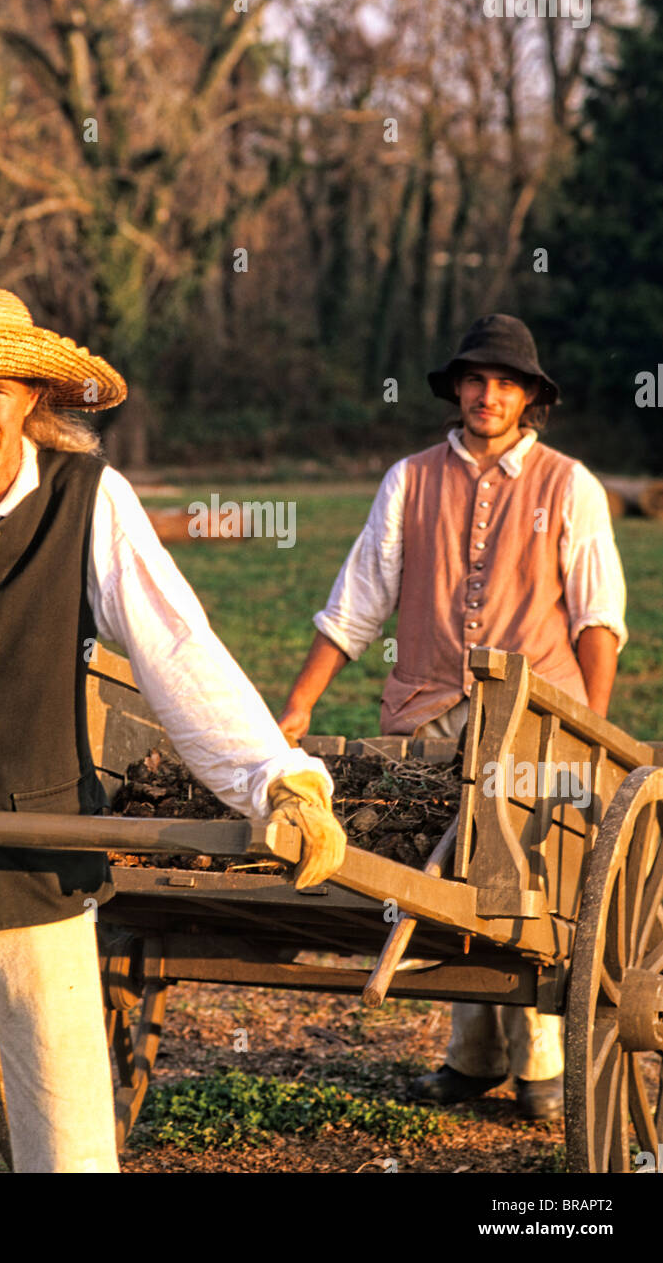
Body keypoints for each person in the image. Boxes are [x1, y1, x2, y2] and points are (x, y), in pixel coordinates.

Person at [0, 284, 346, 1174]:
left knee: (64, 1130)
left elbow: (174, 648)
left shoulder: (89, 498)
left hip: (38, 860)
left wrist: (274, 778)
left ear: (35, 397)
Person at [278, 313, 627, 1122]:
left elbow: (596, 615)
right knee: (437, 886)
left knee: (522, 876)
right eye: (474, 379)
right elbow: (356, 603)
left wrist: (595, 730)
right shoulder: (409, 480)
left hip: (537, 713)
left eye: (504, 382)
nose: (486, 394)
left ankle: (540, 1062)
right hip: (425, 704)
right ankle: (470, 1058)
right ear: (457, 390)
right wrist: (299, 702)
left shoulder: (569, 485)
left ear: (528, 398)